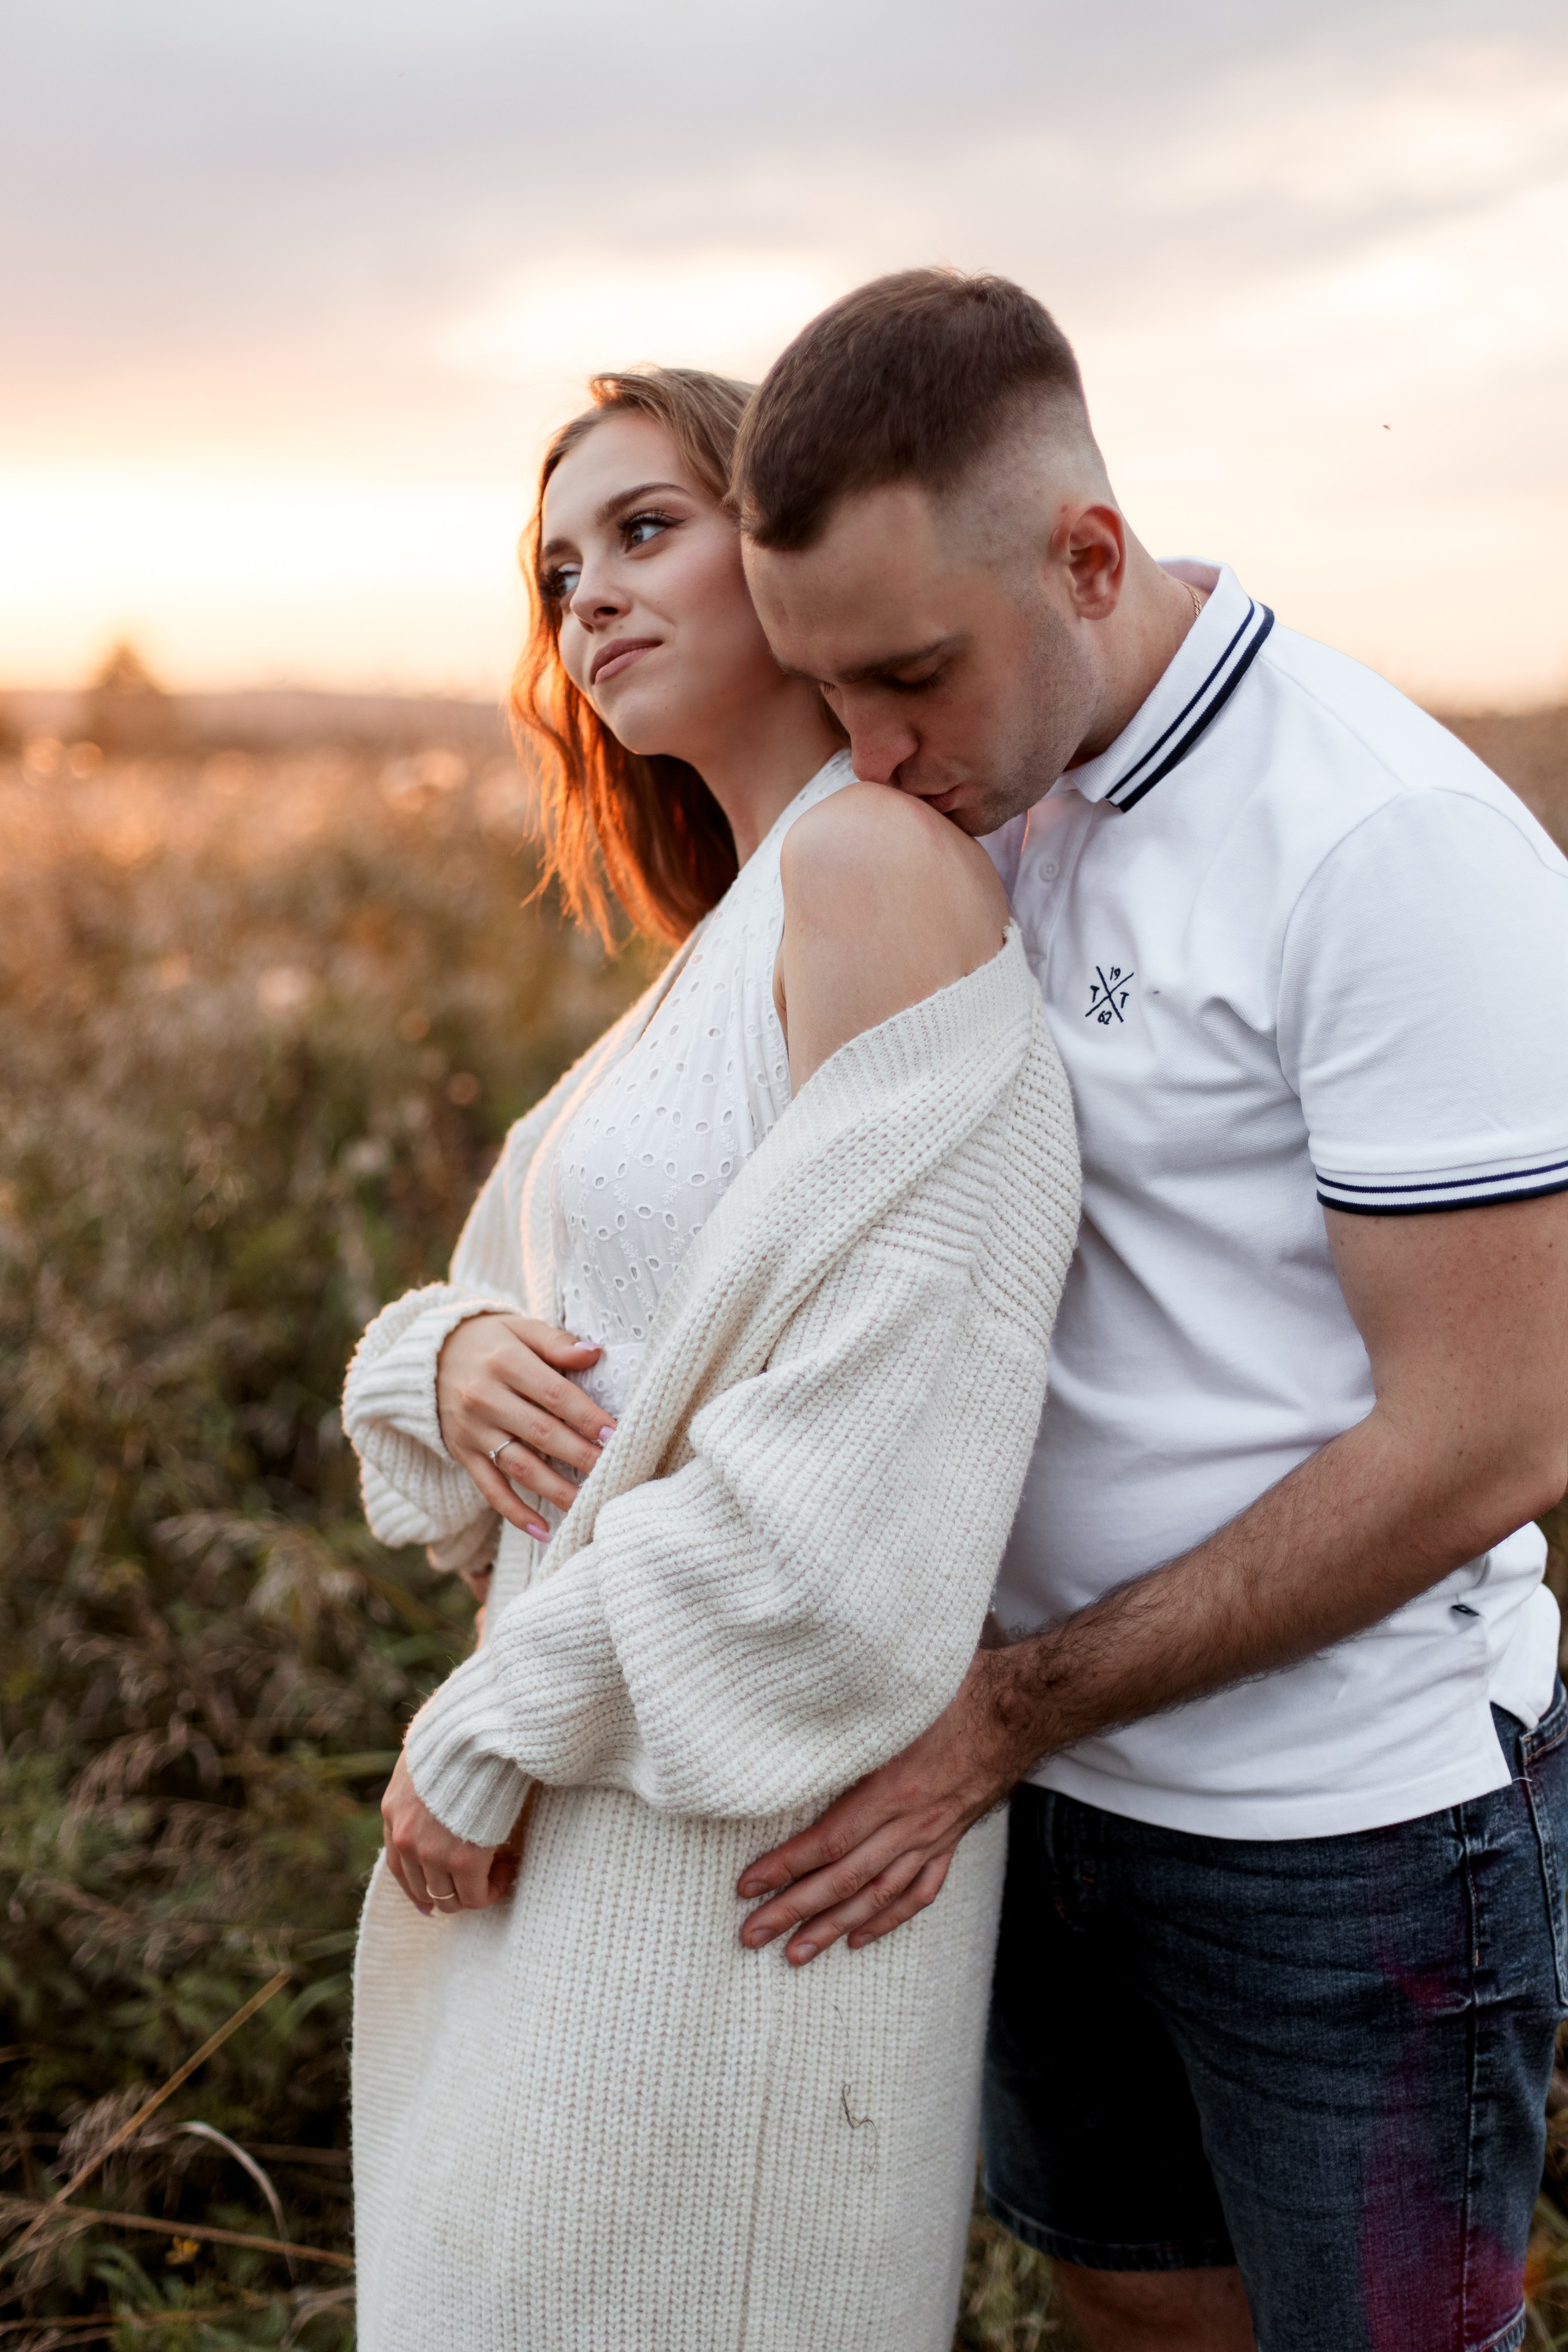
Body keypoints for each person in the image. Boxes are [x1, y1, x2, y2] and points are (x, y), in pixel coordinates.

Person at [729, 270, 1568, 2352]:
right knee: (1129, 2316)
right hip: (1036, 1790)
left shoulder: (1383, 849)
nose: (872, 752)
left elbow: (1493, 1434)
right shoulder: (959, 809)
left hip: (1344, 1835)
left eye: (909, 674)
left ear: (1090, 557)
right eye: (828, 690)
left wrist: (1003, 1718)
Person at [341, 364, 1080, 2352]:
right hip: (613, 1801)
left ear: (781, 547)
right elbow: (493, 1299)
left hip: (749, 1838)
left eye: (647, 532)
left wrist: (488, 1725)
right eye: (558, 568)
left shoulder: (870, 880)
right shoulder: (731, 928)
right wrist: (447, 1357)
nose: (588, 599)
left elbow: (877, 1463)